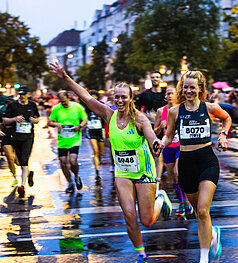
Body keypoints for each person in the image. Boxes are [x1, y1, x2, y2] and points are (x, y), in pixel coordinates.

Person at [49, 61, 172, 263]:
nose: (120, 100)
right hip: (123, 172)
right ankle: (141, 254)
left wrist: (157, 142)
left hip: (144, 171)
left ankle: (161, 200)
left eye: (124, 97)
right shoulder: (109, 114)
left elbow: (151, 136)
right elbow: (85, 97)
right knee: (129, 215)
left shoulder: (139, 118)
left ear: (131, 98)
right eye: (117, 97)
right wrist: (65, 77)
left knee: (147, 220)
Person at [158, 71, 232, 263]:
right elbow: (169, 135)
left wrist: (223, 135)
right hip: (186, 164)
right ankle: (212, 233)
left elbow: (227, 118)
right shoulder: (175, 111)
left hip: (207, 161)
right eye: (186, 87)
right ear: (182, 89)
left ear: (200, 88)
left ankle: (204, 258)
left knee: (202, 210)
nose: (189, 90)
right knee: (198, 213)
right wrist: (160, 143)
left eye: (193, 87)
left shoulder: (209, 108)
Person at [154, 86, 193, 217]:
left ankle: (186, 200)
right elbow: (154, 133)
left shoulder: (182, 109)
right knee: (173, 176)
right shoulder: (161, 111)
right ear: (165, 95)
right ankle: (182, 202)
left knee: (177, 172)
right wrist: (161, 126)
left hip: (181, 146)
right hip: (168, 147)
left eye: (173, 93)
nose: (170, 96)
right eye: (168, 93)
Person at [2, 86, 39, 197]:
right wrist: (14, 119)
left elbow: (37, 119)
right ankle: (29, 173)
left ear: (28, 94)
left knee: (24, 160)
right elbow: (4, 120)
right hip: (16, 137)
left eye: (24, 94)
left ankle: (22, 187)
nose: (22, 97)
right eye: (20, 94)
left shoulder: (32, 105)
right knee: (18, 161)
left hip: (28, 137)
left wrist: (34, 121)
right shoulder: (13, 106)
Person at [48, 90, 88, 193]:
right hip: (62, 140)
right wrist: (57, 125)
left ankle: (76, 176)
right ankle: (70, 183)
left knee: (73, 161)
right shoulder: (56, 109)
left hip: (74, 139)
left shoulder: (77, 107)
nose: (63, 103)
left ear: (68, 98)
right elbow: (50, 122)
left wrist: (79, 126)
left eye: (65, 101)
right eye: (61, 102)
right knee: (63, 162)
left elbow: (85, 119)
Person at [136, 71, 166, 182]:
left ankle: (157, 178)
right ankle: (152, 175)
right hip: (149, 126)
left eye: (157, 77)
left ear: (161, 79)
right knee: (152, 151)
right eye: (153, 77)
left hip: (163, 126)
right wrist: (144, 116)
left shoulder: (165, 93)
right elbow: (137, 110)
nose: (155, 79)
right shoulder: (144, 94)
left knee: (159, 151)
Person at [0, 97, 19, 187]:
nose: (8, 106)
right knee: (10, 159)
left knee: (18, 161)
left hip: (17, 138)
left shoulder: (18, 114)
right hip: (6, 138)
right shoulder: (3, 114)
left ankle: (28, 172)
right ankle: (15, 178)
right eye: (7, 104)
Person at [85, 90, 105, 178]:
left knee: (101, 152)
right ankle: (97, 171)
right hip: (91, 130)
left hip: (100, 130)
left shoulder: (102, 105)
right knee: (95, 151)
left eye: (95, 96)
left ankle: (98, 160)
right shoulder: (86, 106)